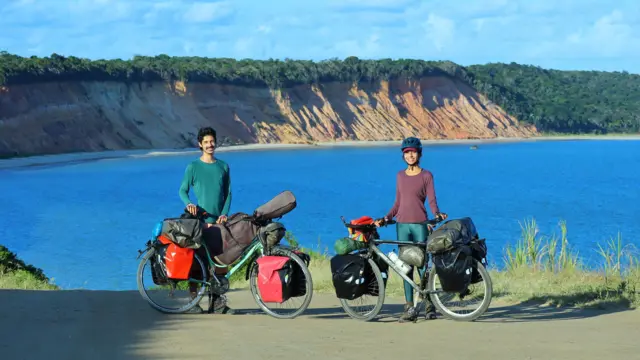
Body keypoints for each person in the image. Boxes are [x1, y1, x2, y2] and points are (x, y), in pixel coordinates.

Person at [375, 136, 448, 323]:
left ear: (419, 154)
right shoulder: (400, 176)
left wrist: (437, 214)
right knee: (405, 267)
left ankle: (429, 304)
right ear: (403, 156)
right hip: (402, 226)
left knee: (423, 265)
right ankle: (409, 305)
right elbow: (398, 203)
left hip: (420, 225)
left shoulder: (426, 176)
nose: (410, 155)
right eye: (407, 153)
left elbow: (432, 200)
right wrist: (385, 218)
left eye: (413, 152)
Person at [179, 126, 234, 314]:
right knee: (197, 263)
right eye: (206, 142)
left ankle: (217, 303)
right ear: (200, 145)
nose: (210, 145)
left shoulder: (223, 166)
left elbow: (228, 194)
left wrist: (224, 214)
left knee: (220, 263)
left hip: (219, 222)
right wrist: (189, 204)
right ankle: (193, 302)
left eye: (212, 141)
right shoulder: (193, 167)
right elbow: (182, 190)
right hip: (200, 223)